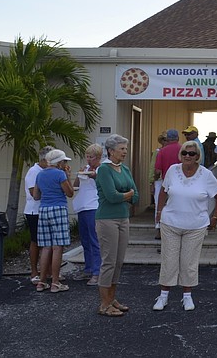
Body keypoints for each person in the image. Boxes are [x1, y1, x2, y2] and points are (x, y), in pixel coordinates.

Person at [152, 140, 217, 311]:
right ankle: (163, 296)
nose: (187, 156)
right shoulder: (172, 170)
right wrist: (159, 212)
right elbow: (163, 190)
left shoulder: (206, 174)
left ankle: (187, 296)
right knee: (168, 260)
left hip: (196, 225)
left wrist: (215, 217)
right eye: (185, 153)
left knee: (189, 261)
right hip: (170, 223)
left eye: (192, 153)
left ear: (198, 156)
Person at [95, 134, 139, 317]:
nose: (125, 152)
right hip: (107, 219)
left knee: (118, 262)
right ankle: (104, 304)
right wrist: (127, 194)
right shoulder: (104, 170)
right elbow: (111, 197)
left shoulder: (125, 169)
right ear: (111, 151)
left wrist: (125, 194)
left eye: (125, 149)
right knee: (109, 261)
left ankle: (112, 298)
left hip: (123, 218)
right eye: (122, 149)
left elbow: (136, 195)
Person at [32, 149, 74, 293]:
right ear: (59, 162)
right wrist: (68, 177)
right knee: (57, 247)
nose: (66, 164)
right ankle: (55, 282)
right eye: (64, 161)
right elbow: (70, 193)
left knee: (46, 247)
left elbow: (36, 196)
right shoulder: (60, 174)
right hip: (58, 209)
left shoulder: (40, 174)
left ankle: (42, 281)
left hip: (44, 209)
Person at [71, 143, 102, 286]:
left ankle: (97, 271)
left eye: (92, 157)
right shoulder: (86, 169)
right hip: (82, 206)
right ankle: (88, 268)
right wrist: (80, 174)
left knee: (94, 239)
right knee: (85, 240)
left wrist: (94, 176)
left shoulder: (102, 170)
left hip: (93, 206)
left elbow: (101, 183)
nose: (89, 160)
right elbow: (75, 186)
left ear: (98, 158)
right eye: (87, 157)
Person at [24, 145, 53, 284]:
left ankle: (47, 270)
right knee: (36, 241)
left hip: (46, 209)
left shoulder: (48, 171)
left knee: (48, 242)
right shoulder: (34, 171)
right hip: (34, 211)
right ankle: (34, 271)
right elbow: (32, 192)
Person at [154, 129, 182, 238]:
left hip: (166, 183)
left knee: (162, 206)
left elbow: (157, 171)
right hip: (180, 183)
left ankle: (160, 230)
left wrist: (155, 180)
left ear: (167, 139)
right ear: (178, 138)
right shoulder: (182, 149)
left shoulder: (162, 151)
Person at [150, 132, 167, 205]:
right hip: (159, 180)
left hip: (170, 180)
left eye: (167, 140)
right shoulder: (157, 152)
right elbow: (152, 167)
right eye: (164, 140)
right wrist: (151, 182)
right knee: (158, 203)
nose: (165, 142)